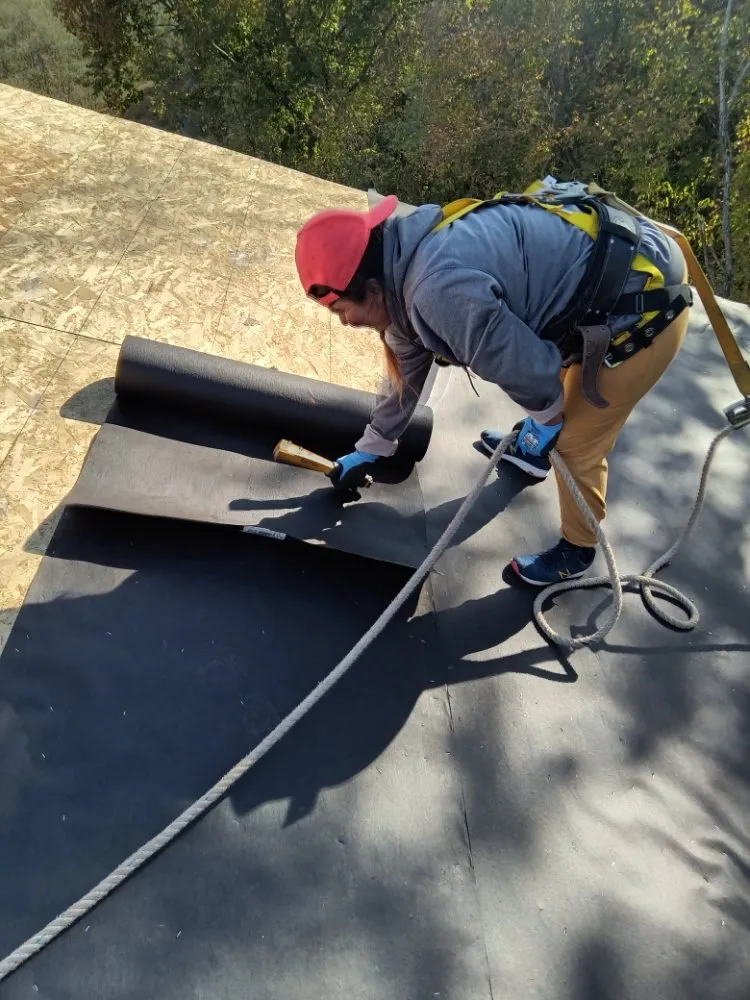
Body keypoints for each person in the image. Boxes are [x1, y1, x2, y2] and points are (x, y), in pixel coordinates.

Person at [293, 188, 692, 586]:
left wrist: (550, 418)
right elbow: (406, 373)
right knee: (550, 404)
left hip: (644, 306)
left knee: (573, 440)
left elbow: (526, 368)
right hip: (601, 281)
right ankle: (534, 451)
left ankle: (579, 548)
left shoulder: (437, 290)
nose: (344, 322)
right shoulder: (399, 262)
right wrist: (371, 446)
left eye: (340, 310)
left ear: (373, 289)